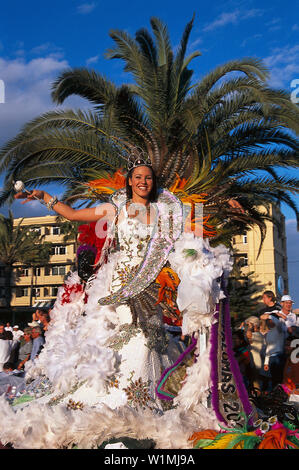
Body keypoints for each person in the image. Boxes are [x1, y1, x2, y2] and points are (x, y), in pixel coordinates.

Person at [5, 153, 245, 449]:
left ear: (153, 182)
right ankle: (117, 402)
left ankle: (152, 403)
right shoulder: (114, 209)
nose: (144, 182)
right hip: (120, 286)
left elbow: (197, 217)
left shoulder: (165, 212)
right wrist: (45, 197)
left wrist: (224, 205)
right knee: (136, 338)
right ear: (129, 182)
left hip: (150, 289)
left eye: (148, 177)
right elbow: (73, 215)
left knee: (155, 339)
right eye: (138, 177)